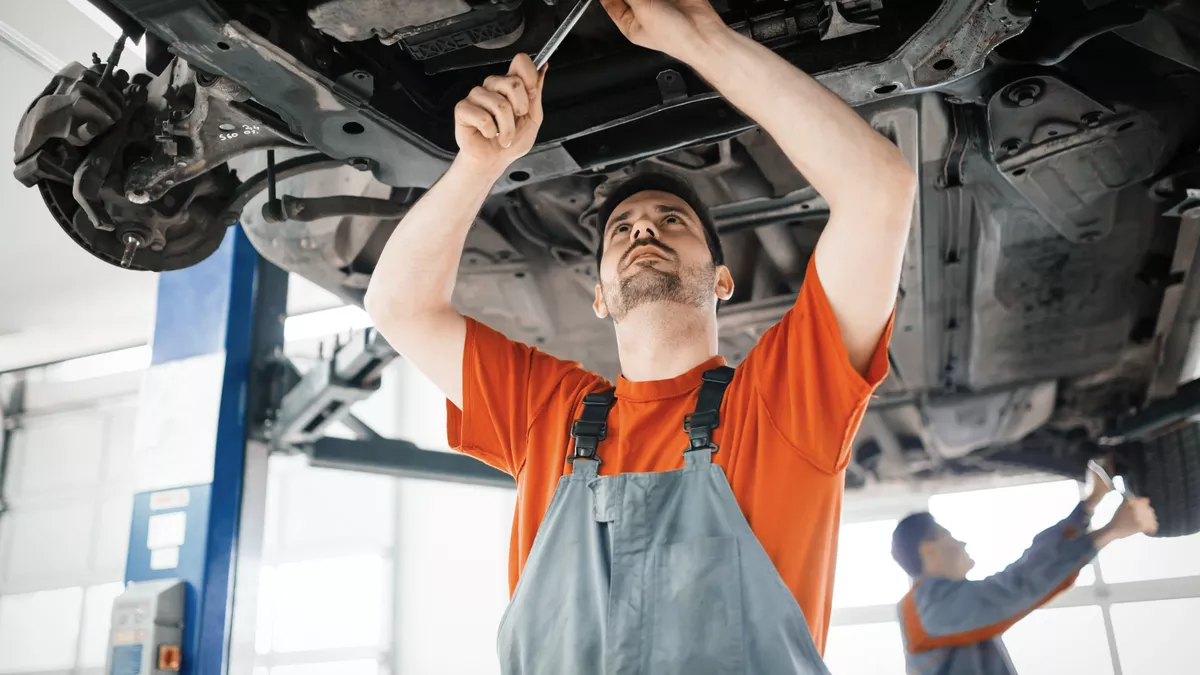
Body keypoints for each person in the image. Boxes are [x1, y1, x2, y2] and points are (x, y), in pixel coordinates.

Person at [365, 0, 915, 671]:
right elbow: (398, 305)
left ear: (720, 279)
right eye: (621, 231)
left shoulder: (779, 407)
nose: (644, 231)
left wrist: (701, 38)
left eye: (671, 221)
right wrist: (479, 166)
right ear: (599, 296)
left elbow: (879, 191)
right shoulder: (551, 414)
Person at [891, 466, 1159, 675]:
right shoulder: (927, 612)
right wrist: (1107, 532)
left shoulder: (936, 607)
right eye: (947, 534)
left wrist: (1089, 505)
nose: (961, 542)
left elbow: (1023, 572)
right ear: (929, 550)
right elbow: (1018, 588)